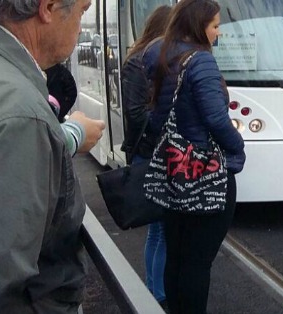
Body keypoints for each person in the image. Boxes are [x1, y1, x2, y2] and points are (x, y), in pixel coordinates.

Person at [0, 0, 98, 312]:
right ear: (48, 8)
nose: (81, 25)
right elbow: (3, 284)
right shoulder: (22, 117)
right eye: (82, 9)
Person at [142, 0, 245, 312]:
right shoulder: (200, 62)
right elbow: (216, 119)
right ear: (199, 25)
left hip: (173, 171)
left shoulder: (159, 55)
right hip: (205, 172)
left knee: (177, 255)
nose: (218, 33)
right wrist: (238, 146)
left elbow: (156, 118)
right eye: (215, 26)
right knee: (198, 263)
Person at [121, 4, 171, 307]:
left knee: (160, 229)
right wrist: (166, 122)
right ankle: (156, 294)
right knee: (158, 229)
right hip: (149, 153)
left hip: (157, 151)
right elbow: (136, 113)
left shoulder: (153, 59)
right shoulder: (138, 63)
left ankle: (157, 290)